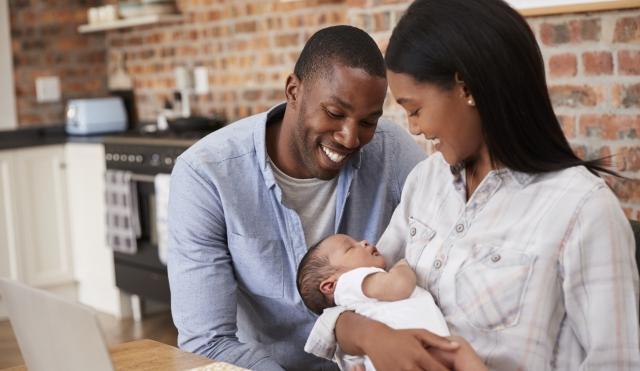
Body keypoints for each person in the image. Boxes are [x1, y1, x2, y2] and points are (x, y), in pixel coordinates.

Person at [304, 1, 640, 370]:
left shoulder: (583, 211)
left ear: (467, 88)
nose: (414, 128)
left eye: (415, 109)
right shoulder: (425, 182)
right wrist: (373, 337)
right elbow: (354, 294)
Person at [167, 25, 426, 371]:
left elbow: (446, 236)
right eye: (334, 114)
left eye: (367, 121)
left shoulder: (391, 152)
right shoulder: (207, 175)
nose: (350, 138)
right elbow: (206, 341)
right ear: (293, 91)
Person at [296, 234, 452, 371]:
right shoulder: (349, 281)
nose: (363, 242)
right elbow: (398, 286)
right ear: (330, 285)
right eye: (350, 248)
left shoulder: (357, 297)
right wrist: (402, 266)